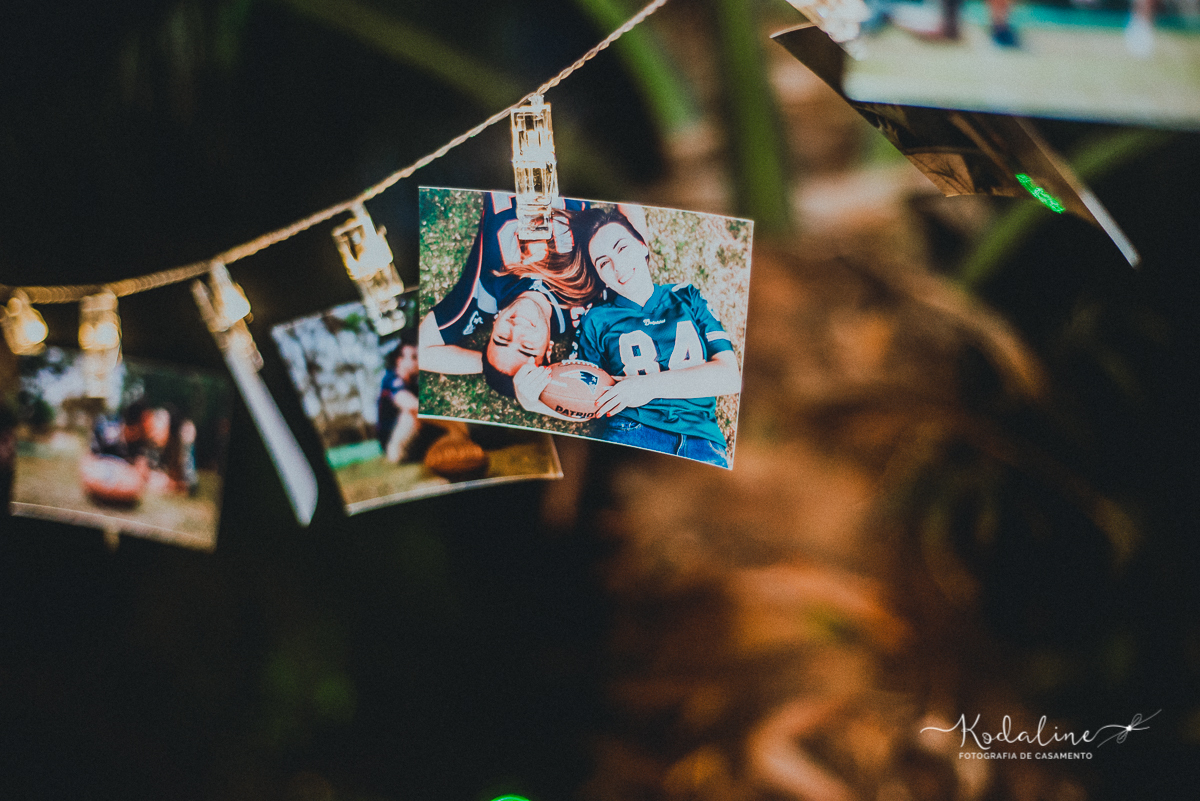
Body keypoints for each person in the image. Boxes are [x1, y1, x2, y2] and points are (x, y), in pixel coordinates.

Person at [515, 206, 742, 468]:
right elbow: (588, 399)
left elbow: (729, 377)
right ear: (599, 275)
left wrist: (644, 387)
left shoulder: (686, 296)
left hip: (702, 440)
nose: (617, 265)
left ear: (642, 245)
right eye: (603, 262)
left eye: (621, 248)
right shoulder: (596, 319)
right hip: (632, 433)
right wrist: (532, 401)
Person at [419, 191, 600, 397]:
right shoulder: (583, 309)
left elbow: (422, 352)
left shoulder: (483, 294)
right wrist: (532, 399)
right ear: (548, 350)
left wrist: (490, 365)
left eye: (502, 338)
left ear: (493, 326)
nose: (517, 329)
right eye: (527, 347)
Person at [377, 338, 420, 463]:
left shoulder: (414, 384)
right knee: (411, 413)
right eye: (413, 357)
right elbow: (410, 404)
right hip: (393, 446)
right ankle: (398, 455)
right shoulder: (391, 380)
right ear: (399, 360)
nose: (417, 361)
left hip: (413, 442)